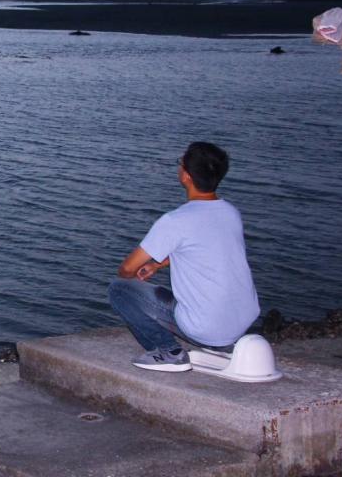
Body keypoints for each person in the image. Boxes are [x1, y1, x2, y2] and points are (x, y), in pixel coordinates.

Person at [108, 142, 260, 372]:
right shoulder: (231, 213)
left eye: (180, 164)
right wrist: (159, 264)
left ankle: (169, 351)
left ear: (186, 176)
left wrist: (130, 274)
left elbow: (128, 268)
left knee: (119, 289)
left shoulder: (175, 221)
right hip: (241, 325)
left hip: (204, 328)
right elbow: (207, 249)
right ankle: (223, 346)